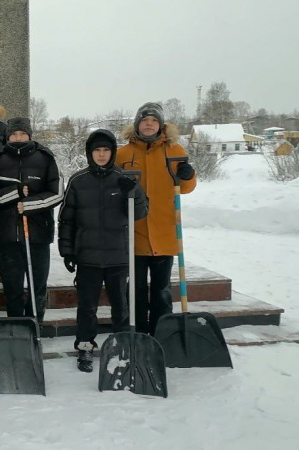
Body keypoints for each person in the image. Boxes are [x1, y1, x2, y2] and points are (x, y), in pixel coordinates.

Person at [58, 129, 149, 372]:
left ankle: (122, 345)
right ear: (90, 153)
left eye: (106, 150)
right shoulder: (78, 181)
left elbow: (141, 212)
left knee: (121, 306)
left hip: (118, 256)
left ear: (112, 152)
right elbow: (67, 219)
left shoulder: (123, 178)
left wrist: (133, 192)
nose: (101, 154)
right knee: (87, 306)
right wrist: (67, 251)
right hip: (87, 257)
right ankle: (85, 346)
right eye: (97, 150)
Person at [115, 102, 197, 335]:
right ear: (137, 124)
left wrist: (188, 176)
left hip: (164, 231)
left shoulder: (174, 150)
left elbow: (185, 188)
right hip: (135, 232)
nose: (149, 124)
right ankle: (139, 334)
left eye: (153, 121)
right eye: (144, 120)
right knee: (136, 289)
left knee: (162, 290)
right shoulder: (123, 154)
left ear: (161, 125)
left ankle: (162, 333)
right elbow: (113, 188)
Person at [0, 118, 63, 323]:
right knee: (12, 288)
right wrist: (14, 192)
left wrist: (29, 205)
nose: (18, 138)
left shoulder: (45, 158)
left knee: (38, 287)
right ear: (7, 136)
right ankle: (16, 327)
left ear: (29, 135)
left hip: (38, 234)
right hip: (7, 234)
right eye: (14, 134)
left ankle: (35, 326)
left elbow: (57, 193)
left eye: (22, 134)